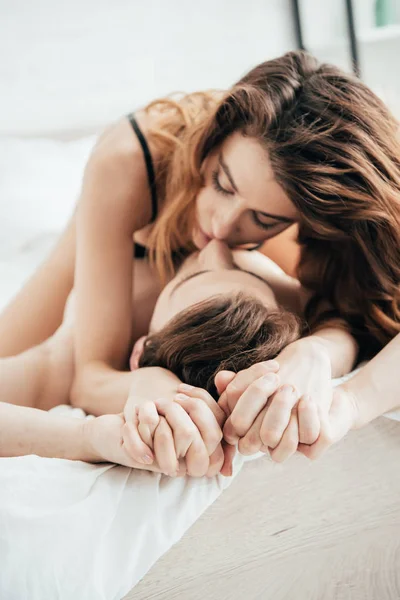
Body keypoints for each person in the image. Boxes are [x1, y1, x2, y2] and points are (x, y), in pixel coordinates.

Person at [1, 48, 399, 462]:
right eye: (223, 184)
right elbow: (90, 374)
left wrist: (317, 353)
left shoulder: (300, 218)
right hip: (123, 218)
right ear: (212, 143)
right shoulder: (131, 160)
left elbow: (345, 315)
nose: (222, 231)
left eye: (263, 218)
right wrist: (148, 384)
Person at [0, 241, 303, 478]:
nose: (216, 249)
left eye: (191, 277)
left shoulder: (62, 361)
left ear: (138, 354)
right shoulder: (251, 279)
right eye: (242, 271)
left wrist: (87, 438)